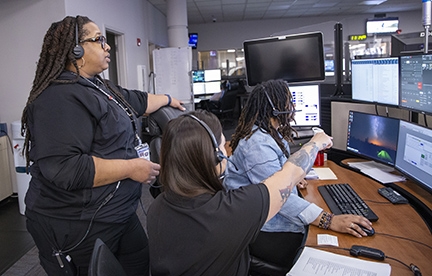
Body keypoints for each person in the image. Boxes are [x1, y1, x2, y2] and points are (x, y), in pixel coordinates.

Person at [20, 15, 185, 276]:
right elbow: (65, 169)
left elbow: (136, 101)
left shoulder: (98, 86)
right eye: (98, 40)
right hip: (75, 222)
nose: (107, 46)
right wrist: (131, 168)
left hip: (117, 212)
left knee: (140, 263)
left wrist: (168, 99)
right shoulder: (58, 99)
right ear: (76, 50)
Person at [146, 109, 333, 275]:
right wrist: (315, 143)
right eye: (222, 146)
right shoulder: (231, 212)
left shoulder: (157, 207)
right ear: (215, 157)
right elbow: (289, 174)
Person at [223, 79, 373, 271]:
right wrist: (330, 220)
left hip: (267, 215)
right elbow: (277, 197)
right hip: (264, 229)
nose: (292, 107)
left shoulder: (270, 133)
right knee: (331, 248)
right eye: (289, 102)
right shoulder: (257, 145)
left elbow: (279, 175)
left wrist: (292, 178)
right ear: (276, 107)